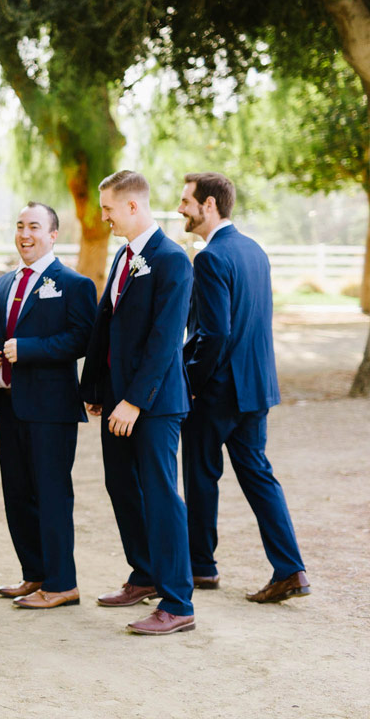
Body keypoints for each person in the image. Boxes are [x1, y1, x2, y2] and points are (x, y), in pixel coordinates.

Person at [177, 172, 309, 603]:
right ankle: (291, 569)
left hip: (217, 390)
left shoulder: (211, 258)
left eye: (186, 201)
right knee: (258, 476)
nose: (181, 209)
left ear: (209, 205)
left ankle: (202, 567)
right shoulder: (255, 251)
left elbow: (213, 333)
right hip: (255, 387)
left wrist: (190, 383)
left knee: (200, 476)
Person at [80, 170, 196, 635]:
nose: (103, 216)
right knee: (122, 487)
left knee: (162, 496)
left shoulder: (172, 260)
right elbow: (106, 325)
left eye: (108, 208)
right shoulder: (124, 257)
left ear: (132, 206)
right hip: (116, 399)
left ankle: (178, 601)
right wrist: (96, 391)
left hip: (153, 404)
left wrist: (133, 401)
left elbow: (166, 339)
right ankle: (144, 573)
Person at [0, 203, 96, 609]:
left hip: (51, 410)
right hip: (8, 404)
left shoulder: (74, 285)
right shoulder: (3, 284)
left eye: (35, 227)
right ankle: (35, 574)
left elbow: (82, 339)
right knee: (17, 493)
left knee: (51, 494)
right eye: (20, 226)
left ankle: (62, 583)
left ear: (53, 234)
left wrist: (30, 349)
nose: (25, 234)